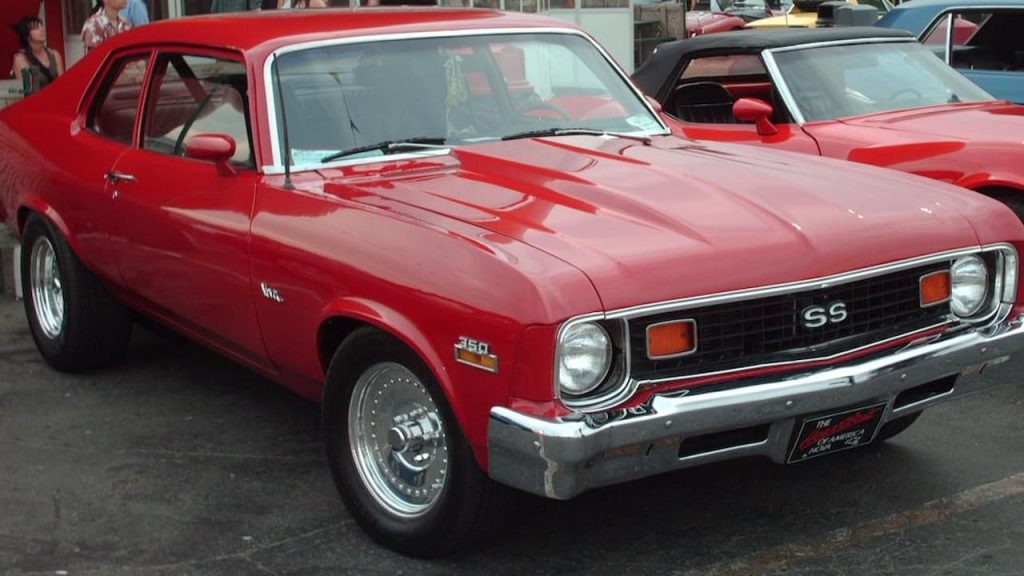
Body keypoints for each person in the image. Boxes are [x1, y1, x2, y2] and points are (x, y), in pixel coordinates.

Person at [10, 17, 64, 94]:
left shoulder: (54, 55)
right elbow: (28, 90)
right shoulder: (21, 59)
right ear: (27, 35)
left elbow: (62, 83)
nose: (42, 30)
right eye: (36, 28)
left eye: (41, 26)